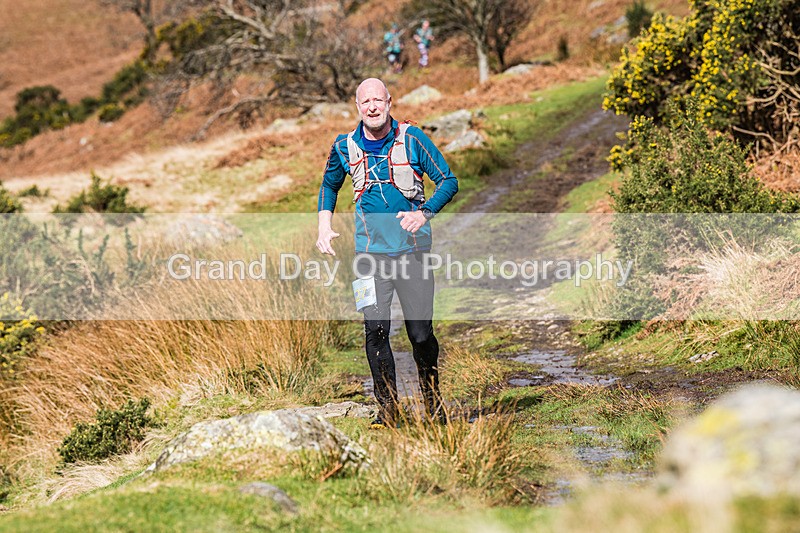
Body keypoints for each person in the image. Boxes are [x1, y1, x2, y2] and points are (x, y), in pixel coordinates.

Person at [316, 78, 458, 428]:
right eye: (366, 102)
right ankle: (389, 411)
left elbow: (449, 181)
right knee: (375, 331)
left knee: (420, 335)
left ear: (390, 102)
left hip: (413, 253)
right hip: (368, 257)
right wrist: (324, 225)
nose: (373, 107)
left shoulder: (412, 139)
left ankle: (432, 403)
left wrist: (422, 214)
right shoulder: (344, 146)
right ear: (357, 106)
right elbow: (329, 185)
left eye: (378, 100)